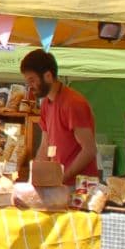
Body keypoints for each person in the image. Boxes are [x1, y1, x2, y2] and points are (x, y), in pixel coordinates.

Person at [20, 48, 98, 184]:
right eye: (27, 82)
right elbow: (44, 146)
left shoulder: (73, 103)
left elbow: (89, 150)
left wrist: (62, 178)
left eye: (32, 80)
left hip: (80, 188)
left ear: (48, 76)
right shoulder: (45, 104)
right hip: (59, 184)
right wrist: (33, 180)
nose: (29, 86)